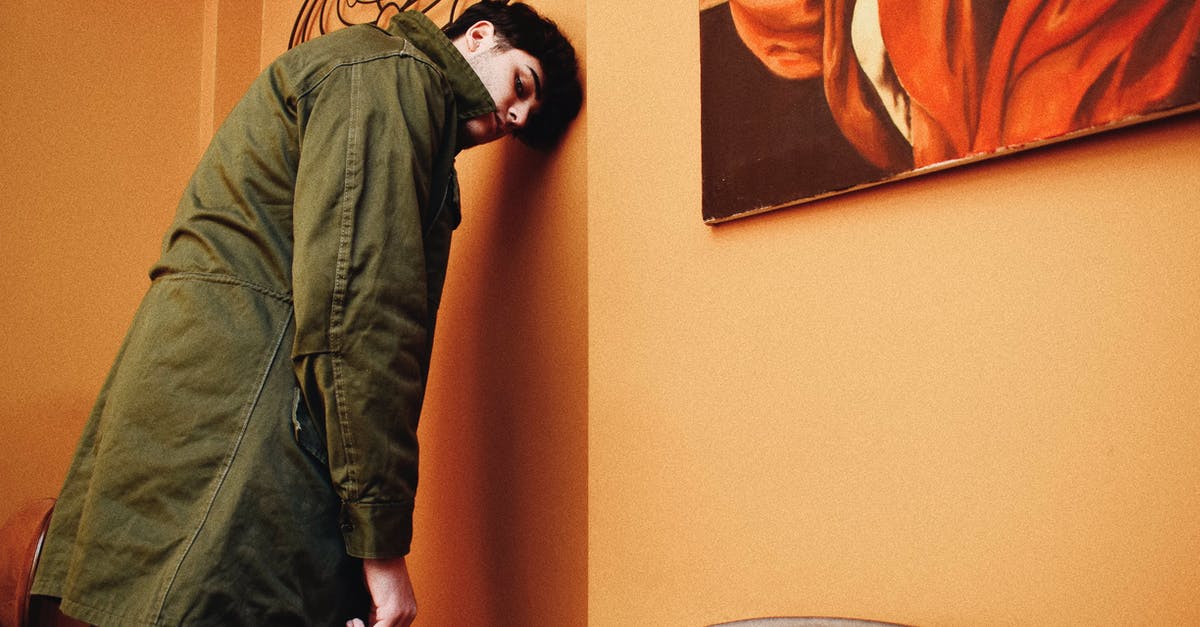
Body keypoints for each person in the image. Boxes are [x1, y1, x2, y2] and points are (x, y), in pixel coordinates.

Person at [30, 1, 581, 625]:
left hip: (192, 406)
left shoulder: (362, 69)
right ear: (479, 36)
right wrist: (382, 550)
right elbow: (364, 313)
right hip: (245, 414)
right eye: (521, 86)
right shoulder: (395, 79)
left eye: (527, 116)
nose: (514, 116)